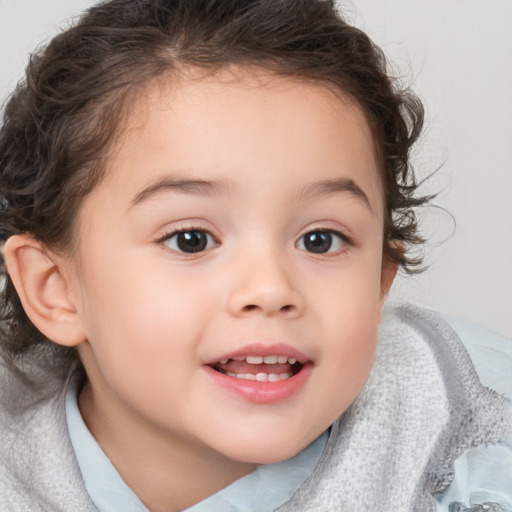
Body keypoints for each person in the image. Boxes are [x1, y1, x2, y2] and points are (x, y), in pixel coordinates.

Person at [0, 0, 510, 510]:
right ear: (57, 290)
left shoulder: (474, 432)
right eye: (191, 239)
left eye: (320, 239)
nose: (270, 288)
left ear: (380, 282)